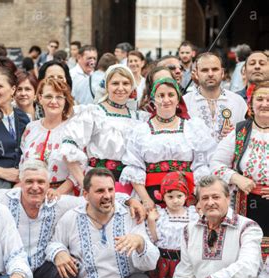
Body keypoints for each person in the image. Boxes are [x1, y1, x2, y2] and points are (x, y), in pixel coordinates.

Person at [46, 168, 159, 278]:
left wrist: (140, 242)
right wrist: (59, 252)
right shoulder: (71, 218)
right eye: (100, 191)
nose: (107, 196)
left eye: (110, 190)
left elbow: (151, 262)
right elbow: (54, 243)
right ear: (85, 195)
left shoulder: (130, 214)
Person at [153, 176, 262, 278]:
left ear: (228, 198)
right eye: (205, 198)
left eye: (216, 197)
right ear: (198, 202)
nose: (210, 202)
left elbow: (248, 267)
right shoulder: (189, 230)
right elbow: (184, 272)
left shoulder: (247, 227)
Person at [121, 77, 215, 209]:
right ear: (153, 100)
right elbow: (135, 167)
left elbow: (201, 166)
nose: (166, 100)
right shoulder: (140, 131)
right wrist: (146, 200)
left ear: (178, 100)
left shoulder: (193, 128)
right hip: (152, 195)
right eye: (160, 95)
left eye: (171, 95)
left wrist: (199, 198)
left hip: (187, 197)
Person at [61, 65, 148, 194]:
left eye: (125, 83)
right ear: (106, 86)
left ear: (132, 87)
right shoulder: (94, 113)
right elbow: (68, 149)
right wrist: (86, 185)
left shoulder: (139, 118)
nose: (120, 88)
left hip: (129, 188)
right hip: (97, 184)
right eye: (115, 83)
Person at [211, 81, 269, 253]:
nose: (265, 104)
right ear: (251, 103)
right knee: (247, 250)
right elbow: (215, 164)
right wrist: (237, 178)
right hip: (246, 204)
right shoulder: (240, 132)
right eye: (259, 99)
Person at [146, 172, 200, 278]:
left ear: (186, 196)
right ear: (162, 196)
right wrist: (151, 221)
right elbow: (155, 239)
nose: (175, 200)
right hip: (163, 261)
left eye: (179, 196)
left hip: (184, 262)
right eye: (170, 197)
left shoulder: (192, 214)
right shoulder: (161, 214)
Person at [20, 78, 75, 194]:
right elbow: (22, 163)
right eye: (49, 96)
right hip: (30, 193)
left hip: (60, 195)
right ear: (40, 98)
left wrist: (58, 192)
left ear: (65, 101)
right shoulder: (31, 128)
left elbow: (79, 170)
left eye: (59, 97)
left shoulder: (72, 130)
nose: (53, 101)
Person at [184, 52, 247, 142]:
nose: (210, 74)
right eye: (204, 70)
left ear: (222, 72)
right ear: (196, 74)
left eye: (215, 69)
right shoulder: (185, 102)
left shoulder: (238, 101)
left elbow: (248, 135)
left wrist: (236, 134)